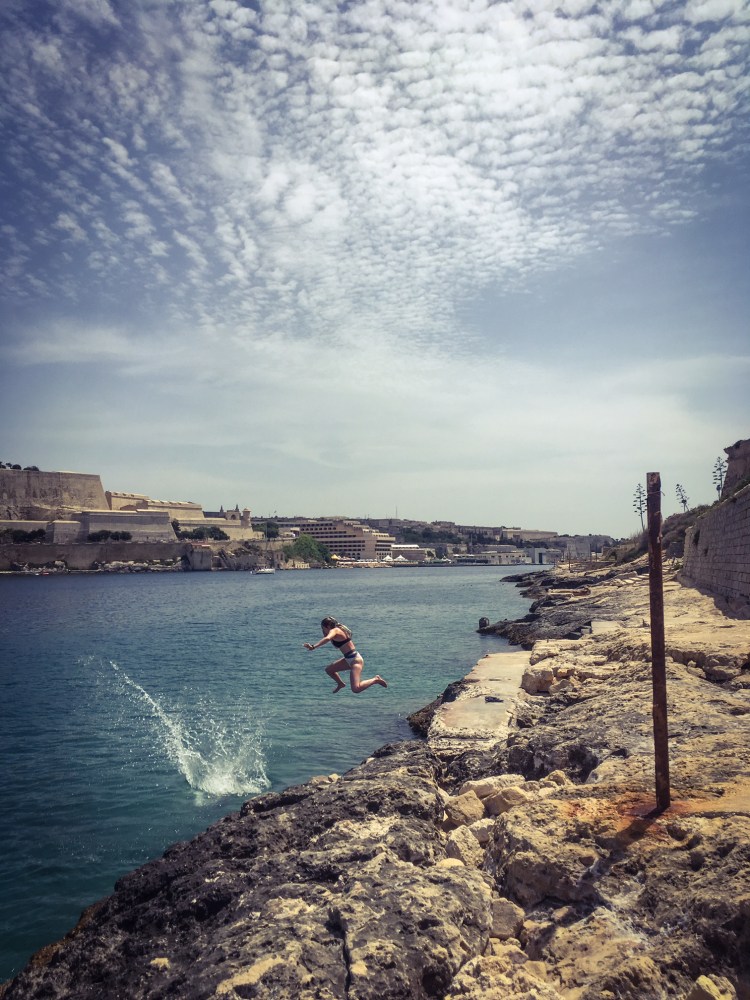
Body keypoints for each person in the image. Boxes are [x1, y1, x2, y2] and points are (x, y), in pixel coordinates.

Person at [303, 616, 388, 694]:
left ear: (328, 626)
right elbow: (330, 639)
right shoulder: (337, 631)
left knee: (356, 689)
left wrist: (313, 646)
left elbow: (327, 638)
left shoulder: (335, 630)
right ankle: (341, 684)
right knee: (329, 670)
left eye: (323, 628)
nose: (322, 630)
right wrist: (325, 633)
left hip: (355, 660)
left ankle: (375, 679)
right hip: (348, 659)